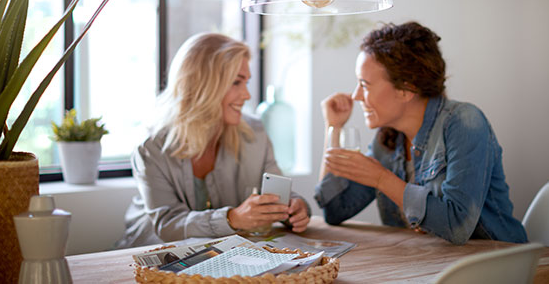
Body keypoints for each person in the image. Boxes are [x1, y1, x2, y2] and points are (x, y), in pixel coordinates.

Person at [315, 22, 527, 245]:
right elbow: (334, 210)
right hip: (427, 266)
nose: (356, 96)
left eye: (365, 85)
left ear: (406, 90)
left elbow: (456, 226)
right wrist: (333, 128)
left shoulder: (464, 122)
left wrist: (381, 178)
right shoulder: (387, 139)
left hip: (497, 262)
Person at [116, 33, 310, 248]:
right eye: (236, 82)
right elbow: (168, 225)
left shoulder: (255, 134)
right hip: (149, 258)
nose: (246, 95)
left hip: (222, 257)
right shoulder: (151, 150)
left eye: (246, 82)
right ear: (202, 85)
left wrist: (295, 208)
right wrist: (232, 219)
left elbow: (277, 193)